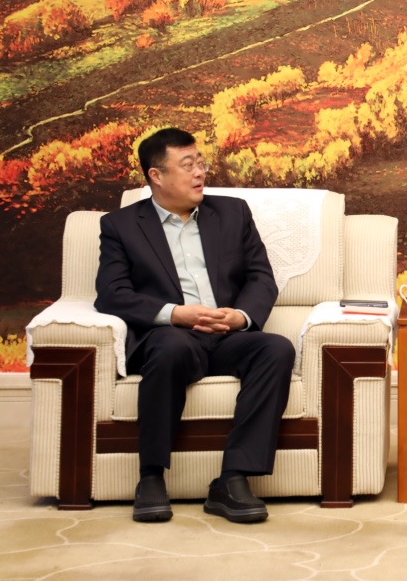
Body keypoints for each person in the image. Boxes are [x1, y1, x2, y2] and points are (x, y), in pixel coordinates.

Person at [95, 128, 295, 524]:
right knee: (170, 347)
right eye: (187, 165)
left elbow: (260, 277)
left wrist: (241, 316)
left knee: (276, 349)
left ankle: (233, 479)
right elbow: (112, 294)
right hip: (172, 336)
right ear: (157, 176)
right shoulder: (121, 225)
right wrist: (176, 314)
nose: (200, 173)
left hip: (227, 335)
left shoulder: (233, 213)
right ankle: (151, 476)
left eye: (200, 163)